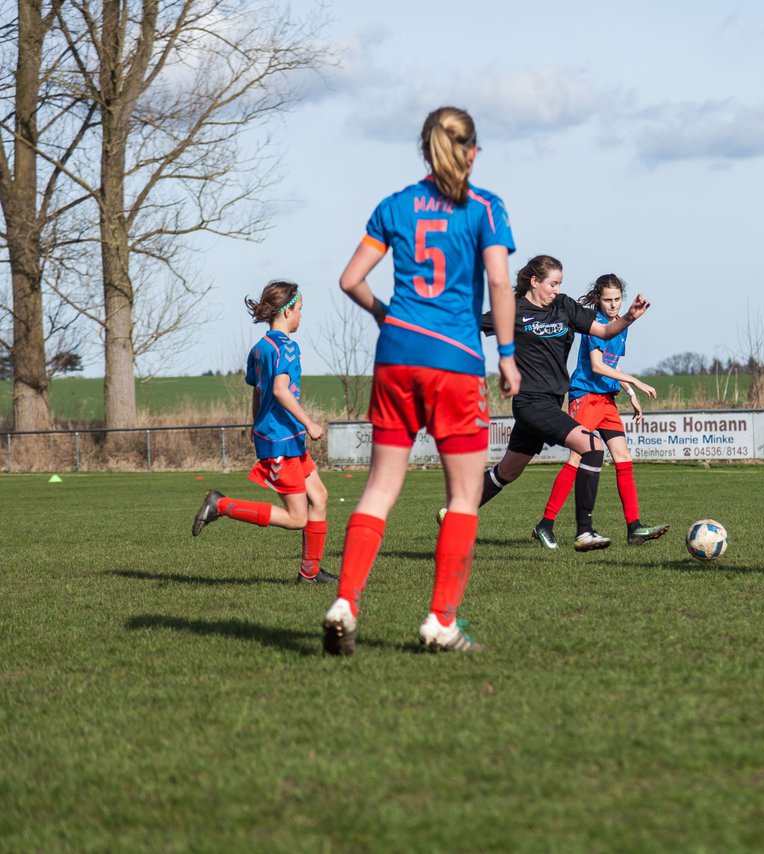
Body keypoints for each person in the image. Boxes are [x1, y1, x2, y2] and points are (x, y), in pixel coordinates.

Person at [321, 105, 520, 656]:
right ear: (472, 151)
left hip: (395, 355)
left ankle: (345, 603)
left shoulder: (396, 205)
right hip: (454, 359)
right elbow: (501, 285)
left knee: (380, 488)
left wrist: (386, 315)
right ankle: (440, 621)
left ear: (425, 150)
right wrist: (506, 355)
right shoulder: (486, 208)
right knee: (463, 494)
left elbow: (349, 279)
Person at [465, 255, 651, 551]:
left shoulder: (564, 306)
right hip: (530, 403)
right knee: (591, 446)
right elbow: (467, 323)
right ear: (534, 281)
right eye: (552, 283)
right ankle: (584, 532)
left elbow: (604, 331)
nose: (556, 289)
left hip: (552, 402)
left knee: (508, 471)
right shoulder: (511, 310)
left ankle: (458, 510)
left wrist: (629, 317)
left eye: (559, 283)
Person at [191, 281, 333, 584]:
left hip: (284, 438)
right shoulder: (286, 347)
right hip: (282, 440)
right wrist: (310, 423)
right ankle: (221, 505)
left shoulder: (259, 349)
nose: (301, 316)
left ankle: (310, 572)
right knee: (298, 518)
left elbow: (258, 392)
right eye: (300, 309)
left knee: (319, 496)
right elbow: (281, 391)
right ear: (287, 310)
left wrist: (256, 426)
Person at [532, 274, 669, 550]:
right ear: (598, 299)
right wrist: (636, 381)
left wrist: (630, 395)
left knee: (623, 457)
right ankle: (545, 524)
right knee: (575, 457)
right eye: (607, 300)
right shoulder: (595, 325)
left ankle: (634, 528)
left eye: (617, 299)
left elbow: (612, 365)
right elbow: (597, 366)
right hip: (585, 397)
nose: (613, 305)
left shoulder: (622, 326)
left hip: (606, 400)